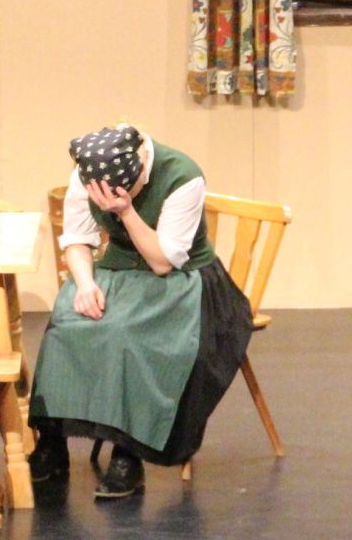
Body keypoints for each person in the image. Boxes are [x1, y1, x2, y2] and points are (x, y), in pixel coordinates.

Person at [27, 124, 253, 499]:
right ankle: (52, 443)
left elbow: (162, 261)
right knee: (64, 326)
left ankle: (127, 454)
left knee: (128, 335)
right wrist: (85, 285)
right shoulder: (89, 171)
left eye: (123, 192)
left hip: (182, 278)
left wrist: (127, 212)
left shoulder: (183, 176)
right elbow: (78, 240)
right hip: (119, 270)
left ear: (141, 167)